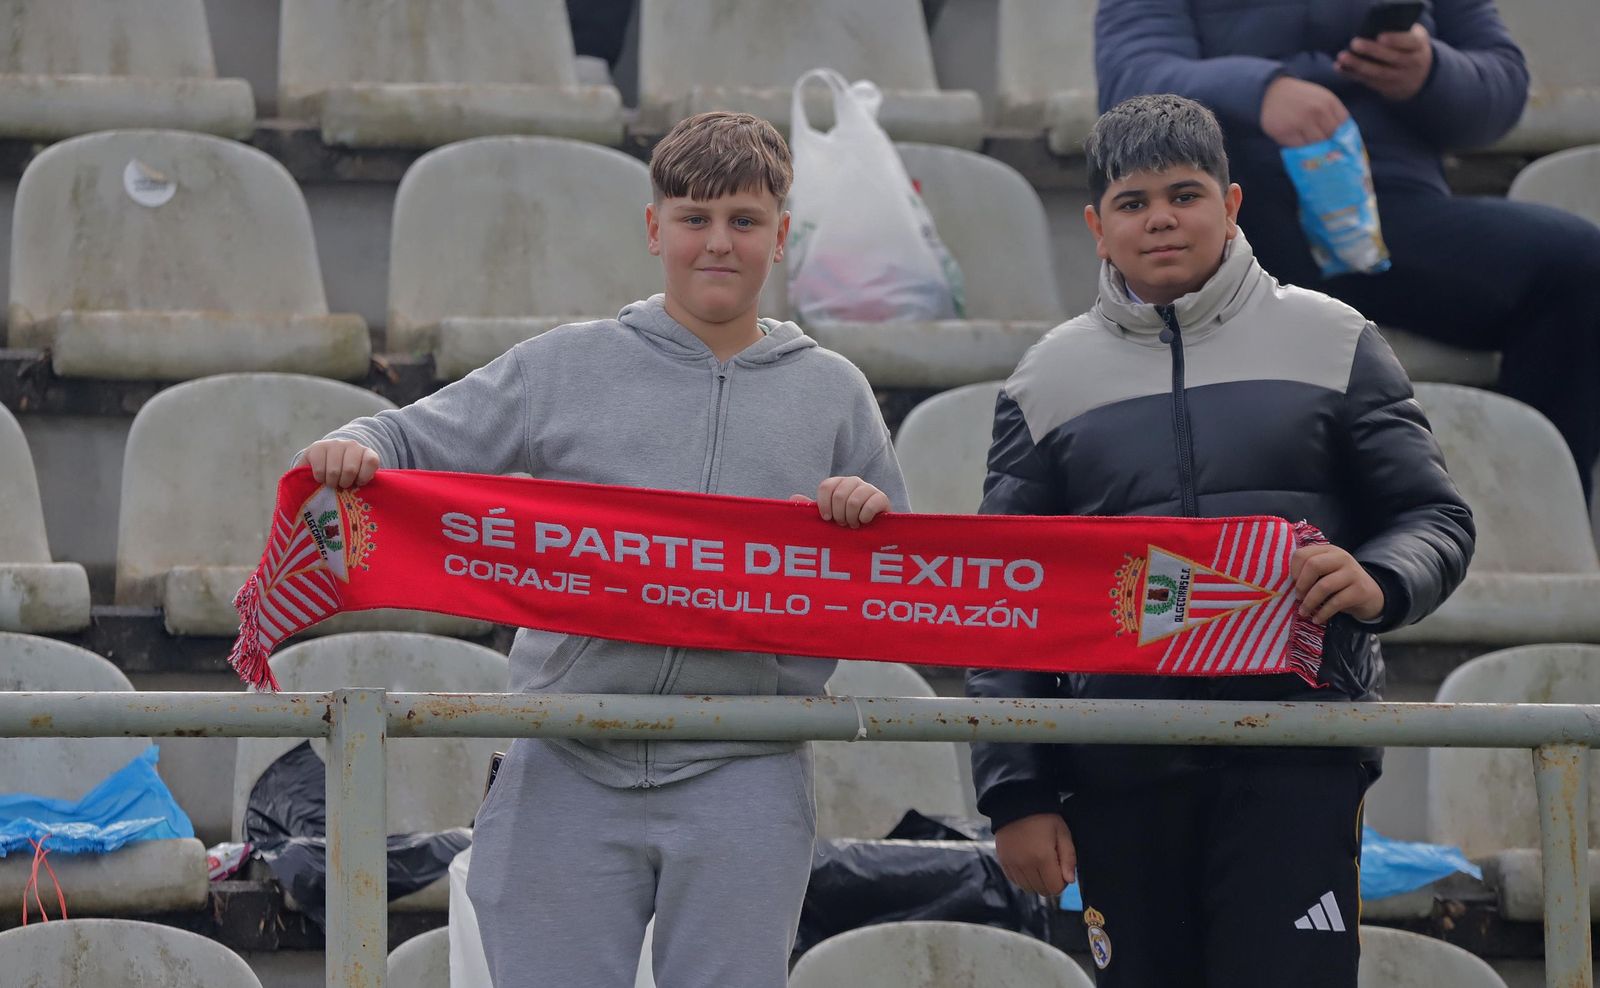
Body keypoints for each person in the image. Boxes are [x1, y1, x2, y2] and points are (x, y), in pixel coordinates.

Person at [301, 111, 909, 987]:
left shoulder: (834, 391)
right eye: (695, 218)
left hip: (747, 764)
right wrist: (355, 442)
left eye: (744, 220)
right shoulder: (564, 365)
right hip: (565, 753)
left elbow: (894, 581)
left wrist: (862, 516)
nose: (718, 242)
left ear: (781, 238)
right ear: (655, 228)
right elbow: (407, 438)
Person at [967, 94, 1474, 987]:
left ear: (1231, 205)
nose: (1160, 219)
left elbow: (1435, 518)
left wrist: (1380, 579)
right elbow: (1008, 595)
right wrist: (1017, 791)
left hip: (1298, 759)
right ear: (1096, 227)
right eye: (1132, 202)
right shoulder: (1046, 380)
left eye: (1184, 194)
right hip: (1117, 769)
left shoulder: (1334, 339)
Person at [1096, 0, 1600, 500]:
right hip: (1244, 213)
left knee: (1577, 264)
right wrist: (1261, 91)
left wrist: (1432, 72)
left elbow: (1503, 86)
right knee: (1194, 215)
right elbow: (1131, 83)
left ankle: (1543, 514)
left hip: (1390, 211)